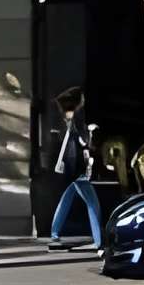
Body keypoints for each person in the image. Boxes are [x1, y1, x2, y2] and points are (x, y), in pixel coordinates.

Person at [44, 90, 104, 251]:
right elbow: (83, 140)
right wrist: (91, 131)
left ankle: (55, 233)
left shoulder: (66, 118)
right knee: (93, 203)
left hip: (70, 165)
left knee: (66, 199)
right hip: (77, 166)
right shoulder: (78, 115)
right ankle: (99, 241)